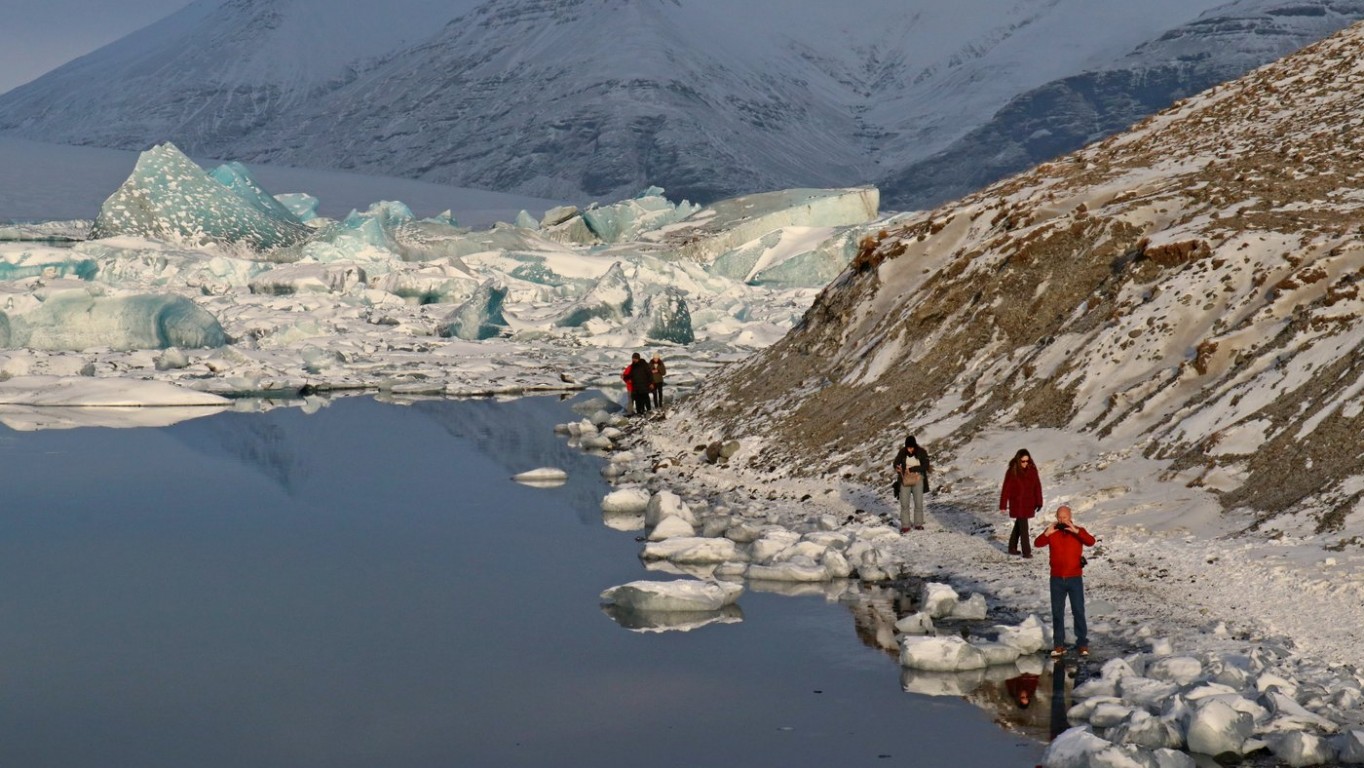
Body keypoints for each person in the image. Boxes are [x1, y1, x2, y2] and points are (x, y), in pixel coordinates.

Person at [1034, 505, 1095, 658]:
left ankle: (1082, 644)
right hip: (1056, 579)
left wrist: (1076, 531)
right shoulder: (1052, 532)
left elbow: (1091, 541)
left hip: (1074, 578)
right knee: (1057, 613)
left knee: (1078, 611)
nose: (1062, 520)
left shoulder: (1077, 531)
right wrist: (1046, 533)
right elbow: (1037, 543)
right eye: (1060, 517)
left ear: (1070, 516)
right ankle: (1059, 645)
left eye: (1065, 517)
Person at [999, 449, 1043, 558]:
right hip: (1017, 503)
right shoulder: (1012, 471)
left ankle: (1012, 547)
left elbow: (1037, 486)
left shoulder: (1032, 470)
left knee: (1019, 524)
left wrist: (1039, 501)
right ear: (1018, 460)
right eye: (1023, 461)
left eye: (1027, 461)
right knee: (1024, 528)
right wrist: (1003, 505)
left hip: (1029, 502)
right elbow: (1006, 489)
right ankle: (1026, 552)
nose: (1025, 463)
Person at [891, 435, 931, 533]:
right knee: (904, 504)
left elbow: (926, 465)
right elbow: (896, 462)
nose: (909, 450)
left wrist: (913, 469)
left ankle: (918, 524)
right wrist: (897, 467)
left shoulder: (922, 452)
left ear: (915, 446)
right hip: (905, 480)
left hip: (918, 479)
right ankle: (905, 526)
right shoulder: (902, 452)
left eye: (911, 447)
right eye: (908, 447)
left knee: (918, 503)